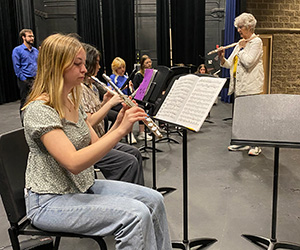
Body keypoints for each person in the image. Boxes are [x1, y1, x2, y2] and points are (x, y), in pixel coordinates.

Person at [22, 33, 172, 250]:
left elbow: (95, 145)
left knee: (154, 200)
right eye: (77, 64)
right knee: (135, 216)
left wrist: (119, 122)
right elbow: (73, 163)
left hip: (80, 187)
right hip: (49, 200)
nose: (84, 69)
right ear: (56, 66)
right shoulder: (39, 110)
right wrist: (119, 131)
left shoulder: (72, 100)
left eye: (84, 63)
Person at [81, 43, 144, 185]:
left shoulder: (93, 87)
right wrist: (110, 104)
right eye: (96, 63)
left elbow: (94, 113)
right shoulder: (79, 90)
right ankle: (126, 201)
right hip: (90, 144)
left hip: (101, 137)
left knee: (135, 153)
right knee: (129, 162)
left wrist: (104, 102)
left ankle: (138, 195)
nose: (98, 67)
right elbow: (89, 122)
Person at [218, 12, 264, 156]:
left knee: (252, 116)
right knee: (242, 116)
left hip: (251, 86)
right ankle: (244, 142)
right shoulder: (241, 43)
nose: (238, 30)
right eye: (237, 27)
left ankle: (256, 145)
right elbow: (228, 64)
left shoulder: (256, 42)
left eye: (240, 27)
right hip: (240, 85)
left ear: (249, 27)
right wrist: (221, 57)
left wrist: (243, 49)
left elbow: (249, 62)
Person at [12, 28, 39, 120]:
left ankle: (34, 120)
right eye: (30, 36)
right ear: (23, 37)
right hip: (24, 79)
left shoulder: (35, 51)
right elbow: (16, 66)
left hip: (35, 79)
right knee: (25, 101)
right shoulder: (17, 50)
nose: (32, 38)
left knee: (36, 101)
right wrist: (23, 79)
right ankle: (24, 122)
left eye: (33, 36)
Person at [110, 57, 137, 143]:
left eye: (123, 67)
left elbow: (132, 92)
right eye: (120, 68)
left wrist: (131, 87)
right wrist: (122, 89)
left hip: (126, 100)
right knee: (127, 110)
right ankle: (126, 133)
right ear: (115, 69)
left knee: (133, 108)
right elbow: (112, 92)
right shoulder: (113, 77)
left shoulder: (126, 77)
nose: (122, 69)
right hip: (117, 102)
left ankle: (130, 132)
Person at [132, 54, 153, 141]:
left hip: (147, 96)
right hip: (139, 98)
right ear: (142, 64)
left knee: (155, 104)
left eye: (150, 62)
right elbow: (136, 91)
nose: (149, 64)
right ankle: (141, 132)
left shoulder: (151, 73)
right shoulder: (138, 75)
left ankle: (150, 127)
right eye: (147, 62)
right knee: (142, 108)